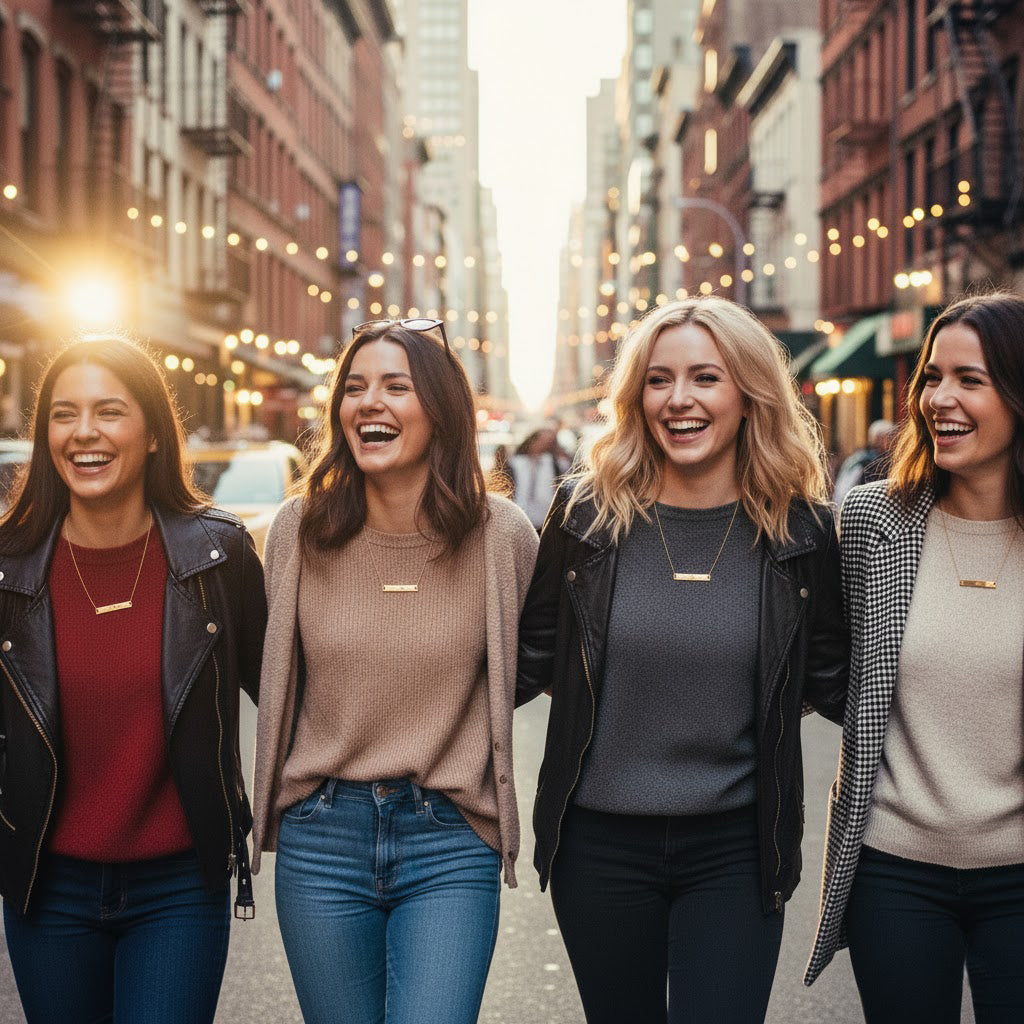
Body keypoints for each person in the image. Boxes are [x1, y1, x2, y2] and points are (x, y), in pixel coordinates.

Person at [517, 296, 849, 1024]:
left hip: (736, 847)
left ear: (748, 394)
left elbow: (836, 682)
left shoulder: (802, 533)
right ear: (637, 396)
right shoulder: (585, 517)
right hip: (600, 848)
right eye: (660, 379)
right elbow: (527, 662)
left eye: (706, 377)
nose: (680, 399)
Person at [251, 318, 538, 1024]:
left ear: (439, 409)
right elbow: (273, 671)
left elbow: (530, 662)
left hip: (448, 839)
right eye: (354, 388)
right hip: (323, 839)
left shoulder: (502, 535)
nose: (368, 403)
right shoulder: (298, 529)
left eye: (394, 387)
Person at [0, 335, 266, 1024]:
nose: (84, 432)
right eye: (64, 413)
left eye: (109, 411)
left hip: (178, 885)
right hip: (46, 889)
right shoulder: (8, 566)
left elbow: (295, 691)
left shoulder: (218, 554)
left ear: (151, 432)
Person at [807, 292, 1024, 1021]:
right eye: (932, 377)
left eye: (971, 379)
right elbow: (830, 667)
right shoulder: (872, 522)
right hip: (895, 870)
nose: (940, 398)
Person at [507, 426, 572, 529]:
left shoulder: (554, 462)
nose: (543, 444)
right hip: (520, 514)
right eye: (541, 440)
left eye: (549, 442)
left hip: (545, 517)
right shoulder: (516, 462)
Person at [830, 418, 895, 508]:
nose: (891, 440)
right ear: (877, 439)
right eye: (888, 436)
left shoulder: (891, 460)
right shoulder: (862, 460)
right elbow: (844, 491)